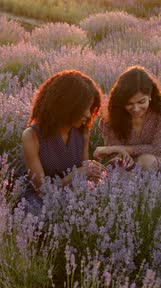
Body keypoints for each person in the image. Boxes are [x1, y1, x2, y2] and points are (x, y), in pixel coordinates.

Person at [21, 70, 105, 215]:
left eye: (91, 108)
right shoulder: (32, 136)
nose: (88, 114)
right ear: (66, 105)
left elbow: (83, 173)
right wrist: (74, 176)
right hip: (40, 200)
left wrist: (93, 169)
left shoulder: (82, 132)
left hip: (72, 193)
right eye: (84, 108)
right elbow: (42, 190)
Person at [94, 65, 161, 170]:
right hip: (125, 167)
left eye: (141, 102)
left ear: (150, 95)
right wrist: (120, 154)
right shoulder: (110, 118)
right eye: (129, 104)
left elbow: (158, 149)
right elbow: (115, 155)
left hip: (155, 168)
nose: (136, 109)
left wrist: (117, 149)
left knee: (146, 160)